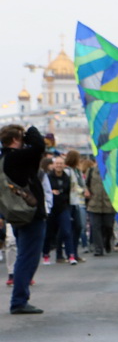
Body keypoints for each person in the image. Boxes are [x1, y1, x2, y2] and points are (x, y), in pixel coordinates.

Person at [2, 124, 47, 314]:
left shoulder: (4, 158)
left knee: (24, 255)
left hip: (17, 212)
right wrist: (31, 130)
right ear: (15, 139)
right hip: (30, 213)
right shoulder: (17, 157)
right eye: (22, 138)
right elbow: (39, 146)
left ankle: (20, 299)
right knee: (27, 257)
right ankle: (19, 301)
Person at [42, 155, 77, 265]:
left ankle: (71, 255)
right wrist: (52, 192)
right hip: (51, 208)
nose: (59, 165)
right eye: (57, 163)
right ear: (53, 165)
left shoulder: (67, 177)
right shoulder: (48, 177)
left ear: (64, 165)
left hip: (63, 207)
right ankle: (46, 254)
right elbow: (45, 190)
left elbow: (69, 191)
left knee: (67, 230)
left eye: (61, 163)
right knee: (48, 232)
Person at [84, 156, 116, 256]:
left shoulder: (112, 171)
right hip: (94, 203)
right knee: (95, 226)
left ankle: (107, 242)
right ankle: (98, 248)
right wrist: (86, 191)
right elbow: (85, 184)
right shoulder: (91, 170)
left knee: (108, 226)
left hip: (108, 204)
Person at [65, 151, 88, 256]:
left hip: (80, 202)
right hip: (72, 201)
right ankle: (70, 252)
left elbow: (82, 184)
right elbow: (72, 186)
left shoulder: (77, 171)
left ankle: (74, 252)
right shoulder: (68, 171)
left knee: (79, 226)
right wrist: (82, 191)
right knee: (74, 227)